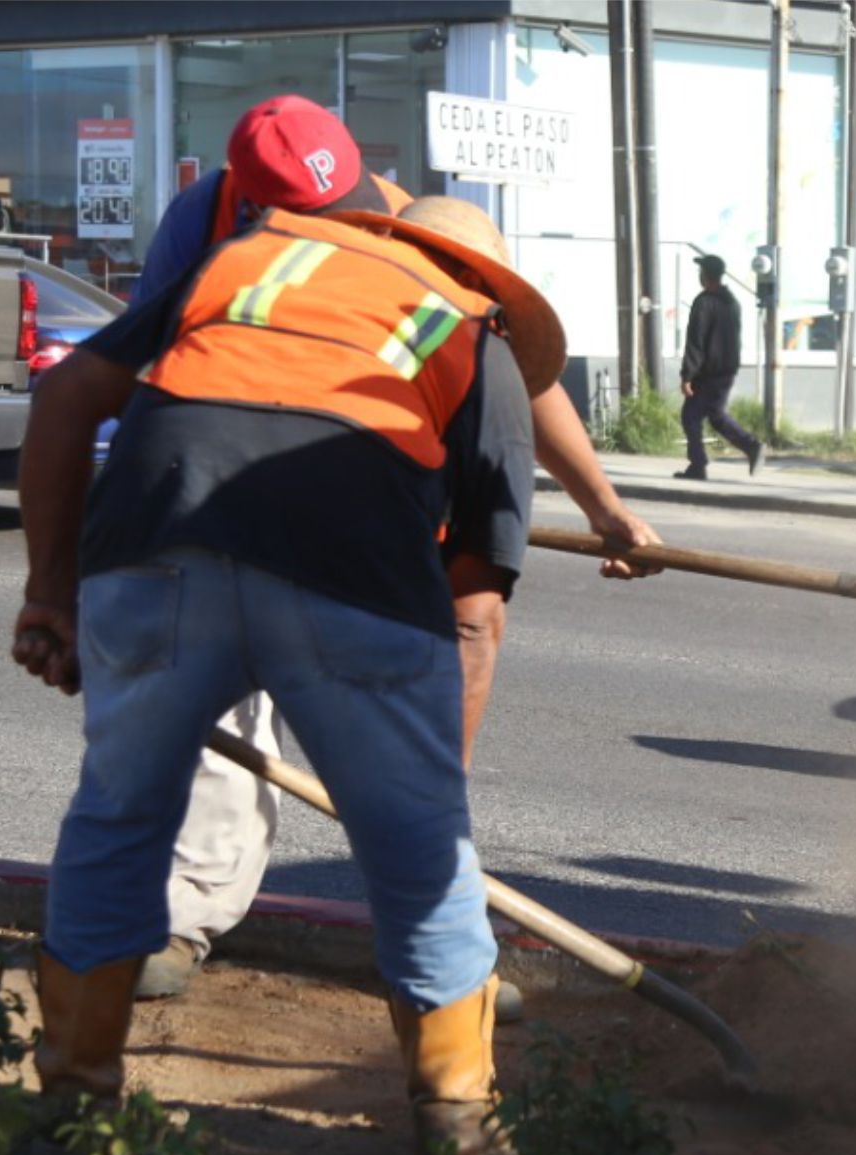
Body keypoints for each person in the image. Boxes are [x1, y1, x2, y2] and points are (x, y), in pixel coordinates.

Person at [13, 194, 561, 1155]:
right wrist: (432, 793)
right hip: (351, 577)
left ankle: (73, 1105)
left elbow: (64, 400)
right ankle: (462, 1133)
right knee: (418, 859)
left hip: (153, 549)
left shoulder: (247, 259)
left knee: (117, 820)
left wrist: (49, 594)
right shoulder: (471, 332)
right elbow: (474, 611)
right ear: (485, 281)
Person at [113, 97, 662, 1001]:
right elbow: (144, 369)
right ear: (257, 207)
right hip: (219, 510)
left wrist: (606, 509)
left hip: (369, 541)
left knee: (396, 758)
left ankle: (442, 969)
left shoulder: (450, 290)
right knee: (225, 726)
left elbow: (476, 605)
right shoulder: (207, 229)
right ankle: (183, 917)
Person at [675, 254, 764, 480]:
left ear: (706, 275)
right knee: (715, 415)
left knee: (691, 415)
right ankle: (750, 447)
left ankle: (699, 465)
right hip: (726, 370)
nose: (699, 275)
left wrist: (687, 376)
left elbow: (696, 341)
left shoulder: (704, 302)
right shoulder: (731, 302)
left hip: (708, 373)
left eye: (701, 272)